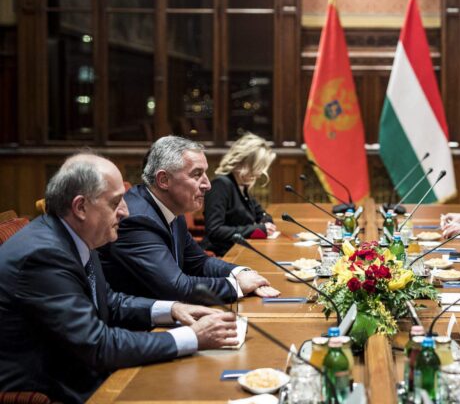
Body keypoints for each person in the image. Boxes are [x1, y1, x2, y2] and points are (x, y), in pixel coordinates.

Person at [0, 154, 238, 403]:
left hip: (87, 372)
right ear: (80, 207)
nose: (125, 211)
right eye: (115, 202)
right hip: (59, 390)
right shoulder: (44, 256)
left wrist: (172, 309)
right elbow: (98, 346)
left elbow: (109, 301)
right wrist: (192, 337)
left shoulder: (76, 234)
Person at [100, 136, 280, 304]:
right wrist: (237, 285)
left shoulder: (172, 209)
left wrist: (241, 272)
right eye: (196, 174)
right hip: (139, 322)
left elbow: (199, 262)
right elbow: (175, 287)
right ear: (164, 180)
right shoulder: (137, 220)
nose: (207, 184)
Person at [202, 133, 277, 256]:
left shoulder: (242, 185)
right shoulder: (220, 185)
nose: (259, 175)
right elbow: (214, 230)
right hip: (222, 254)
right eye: (257, 168)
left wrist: (266, 222)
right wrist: (256, 229)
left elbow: (261, 214)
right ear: (245, 163)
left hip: (240, 249)